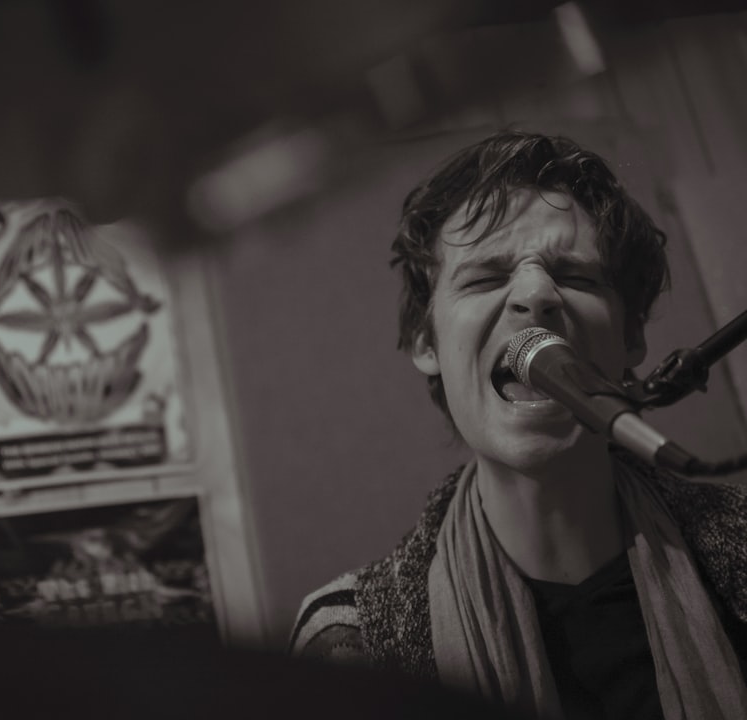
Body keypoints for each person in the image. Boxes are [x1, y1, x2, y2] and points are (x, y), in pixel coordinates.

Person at [289, 131, 747, 720]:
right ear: (426, 343)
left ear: (632, 337)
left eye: (576, 277)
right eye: (484, 278)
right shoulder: (344, 638)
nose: (535, 295)